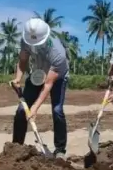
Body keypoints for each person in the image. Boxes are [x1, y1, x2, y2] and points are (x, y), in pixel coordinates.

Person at [11, 17, 70, 160]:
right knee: (21, 111)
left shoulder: (58, 53)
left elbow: (49, 84)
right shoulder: (26, 39)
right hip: (38, 74)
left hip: (58, 77)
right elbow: (23, 60)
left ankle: (60, 149)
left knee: (57, 110)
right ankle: (16, 148)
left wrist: (34, 109)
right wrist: (18, 78)